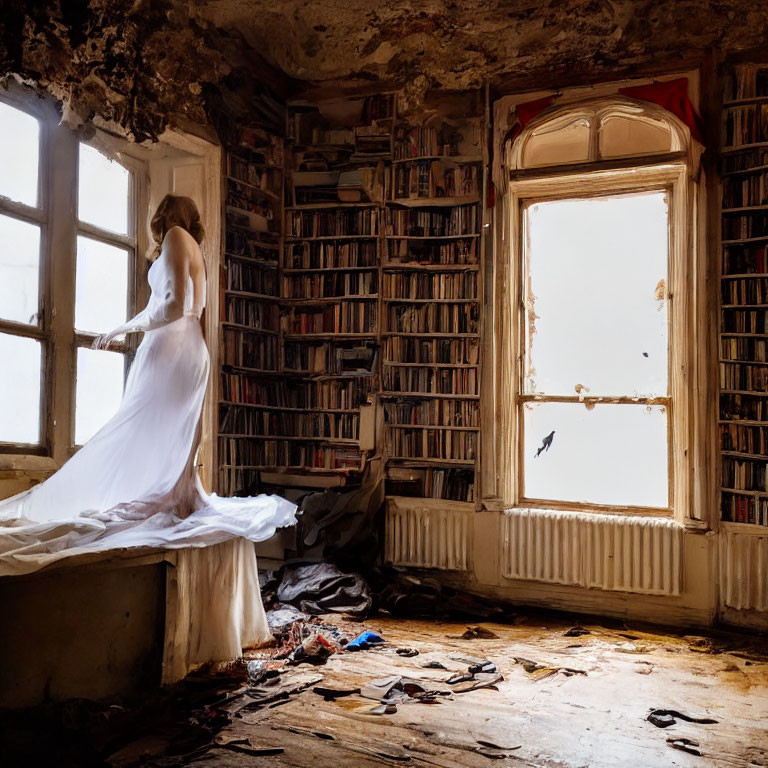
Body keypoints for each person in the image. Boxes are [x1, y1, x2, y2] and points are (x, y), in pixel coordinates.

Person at [0, 194, 296, 574]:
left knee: (133, 428)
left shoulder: (175, 235)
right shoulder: (195, 249)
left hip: (173, 348)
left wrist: (127, 327)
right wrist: (125, 326)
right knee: (157, 434)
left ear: (168, 215)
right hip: (190, 347)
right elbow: (184, 305)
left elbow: (172, 305)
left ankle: (149, 497)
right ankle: (174, 493)